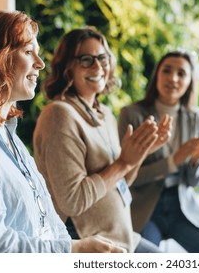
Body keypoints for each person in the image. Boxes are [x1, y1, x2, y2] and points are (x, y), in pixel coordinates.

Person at [0, 10, 124, 253]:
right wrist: (72, 252)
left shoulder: (5, 133)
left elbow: (50, 223)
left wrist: (73, 249)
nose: (41, 63)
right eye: (29, 52)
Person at [32, 28, 171, 253]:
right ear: (67, 67)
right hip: (88, 242)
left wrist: (140, 152)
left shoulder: (104, 113)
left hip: (122, 236)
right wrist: (123, 162)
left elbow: (121, 181)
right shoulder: (59, 114)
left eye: (103, 58)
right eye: (86, 60)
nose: (98, 67)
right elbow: (72, 201)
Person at [118, 49, 199, 253]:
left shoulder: (197, 118)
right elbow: (124, 176)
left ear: (189, 82)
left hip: (182, 209)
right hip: (144, 210)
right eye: (167, 71)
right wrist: (173, 161)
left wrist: (195, 161)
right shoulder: (132, 114)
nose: (173, 78)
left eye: (181, 74)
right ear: (157, 75)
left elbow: (195, 182)